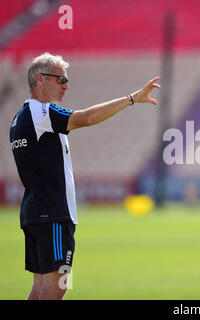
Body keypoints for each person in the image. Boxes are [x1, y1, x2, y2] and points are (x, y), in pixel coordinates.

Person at [9, 52, 160, 300]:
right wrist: (132, 99)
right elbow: (86, 118)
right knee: (58, 286)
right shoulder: (40, 112)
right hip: (53, 215)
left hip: (36, 213)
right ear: (40, 79)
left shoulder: (20, 118)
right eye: (60, 79)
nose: (66, 85)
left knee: (39, 288)